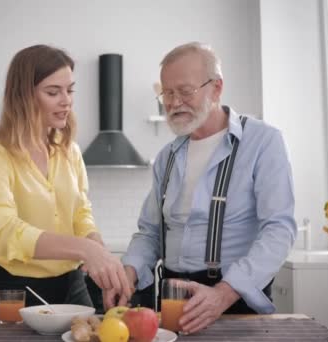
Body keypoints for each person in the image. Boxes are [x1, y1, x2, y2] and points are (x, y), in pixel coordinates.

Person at [103, 42, 297, 334]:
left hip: (235, 303)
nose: (174, 102)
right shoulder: (167, 156)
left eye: (185, 91)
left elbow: (279, 229)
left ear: (216, 88)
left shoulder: (263, 142)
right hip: (171, 301)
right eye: (167, 93)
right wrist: (128, 274)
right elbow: (150, 232)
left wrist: (224, 292)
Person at [0, 44, 132, 313]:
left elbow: (81, 212)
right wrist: (84, 249)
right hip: (18, 292)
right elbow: (3, 231)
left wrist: (102, 262)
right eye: (53, 92)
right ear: (23, 96)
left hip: (73, 287)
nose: (66, 100)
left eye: (70, 90)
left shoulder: (69, 149)